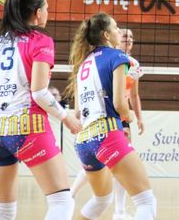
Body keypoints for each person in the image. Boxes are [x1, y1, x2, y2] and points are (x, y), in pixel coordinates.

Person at [0, 0, 81, 220]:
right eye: (47, 8)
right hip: (27, 127)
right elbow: (40, 93)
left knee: (2, 210)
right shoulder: (40, 40)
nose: (48, 13)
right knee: (62, 201)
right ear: (37, 13)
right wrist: (66, 117)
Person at [67, 13, 156, 220]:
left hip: (83, 141)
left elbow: (78, 112)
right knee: (146, 201)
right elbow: (119, 103)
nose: (119, 31)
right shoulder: (118, 57)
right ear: (106, 35)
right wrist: (129, 116)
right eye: (116, 28)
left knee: (100, 201)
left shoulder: (83, 63)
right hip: (107, 133)